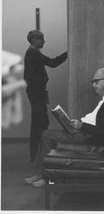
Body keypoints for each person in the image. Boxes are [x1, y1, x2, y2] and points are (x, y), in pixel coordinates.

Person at [25, 67, 104, 187]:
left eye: (96, 81)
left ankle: (47, 177)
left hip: (90, 137)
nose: (93, 85)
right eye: (93, 82)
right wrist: (78, 125)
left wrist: (82, 126)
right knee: (48, 134)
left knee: (47, 135)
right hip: (85, 133)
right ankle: (43, 173)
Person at [24, 29, 67, 165]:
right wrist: (68, 53)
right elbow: (53, 63)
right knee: (39, 123)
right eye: (41, 39)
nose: (44, 41)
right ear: (34, 40)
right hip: (36, 93)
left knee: (41, 122)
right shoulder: (33, 53)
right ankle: (38, 156)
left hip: (36, 92)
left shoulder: (32, 53)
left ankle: (38, 155)